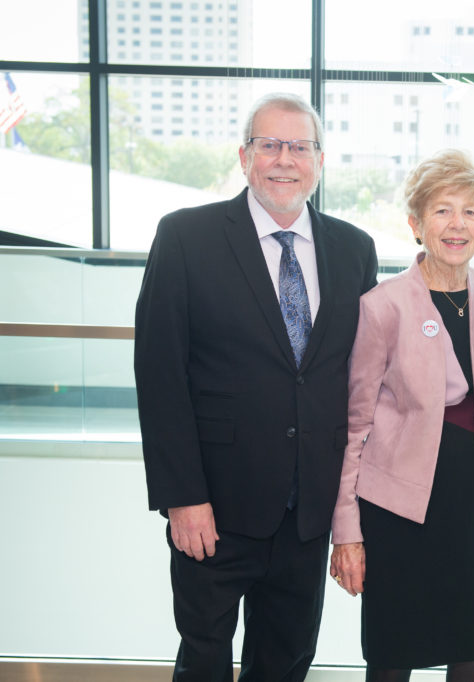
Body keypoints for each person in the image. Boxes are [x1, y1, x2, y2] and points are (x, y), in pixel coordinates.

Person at [134, 92, 377, 681]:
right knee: (204, 661)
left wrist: (350, 515)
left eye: (300, 147)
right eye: (269, 145)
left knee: (286, 663)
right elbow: (159, 375)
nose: (284, 159)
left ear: (320, 161)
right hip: (214, 509)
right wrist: (182, 497)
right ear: (244, 156)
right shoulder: (186, 237)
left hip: (307, 511)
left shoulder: (354, 249)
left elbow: (362, 382)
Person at [329, 149, 474, 682]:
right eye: (442, 210)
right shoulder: (383, 305)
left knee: (473, 655)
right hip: (397, 510)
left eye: (470, 212)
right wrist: (346, 532)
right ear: (416, 223)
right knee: (392, 657)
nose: (457, 224)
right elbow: (354, 428)